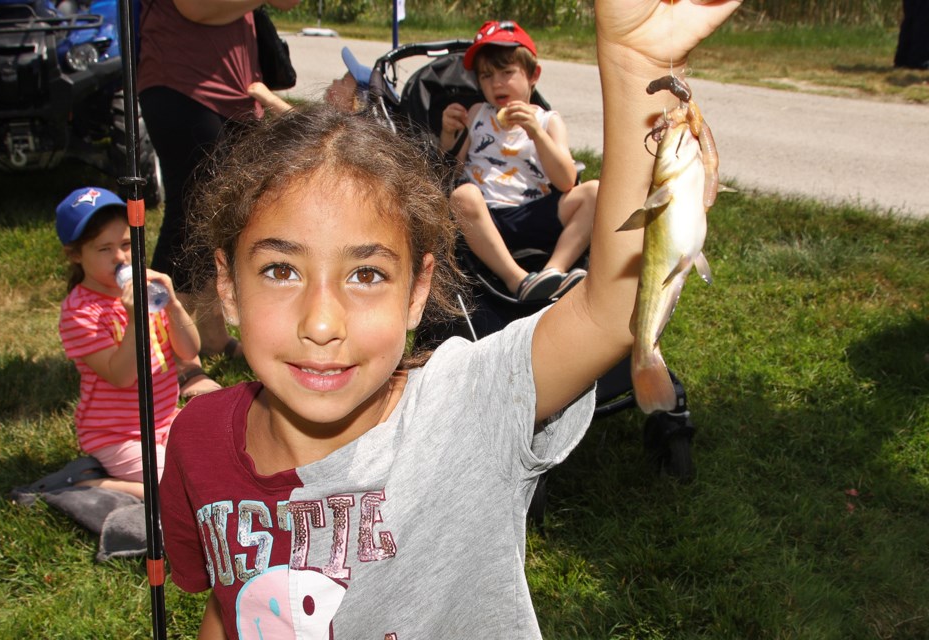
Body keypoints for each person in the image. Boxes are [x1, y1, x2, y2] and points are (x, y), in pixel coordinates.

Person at [158, 0, 741, 636]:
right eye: (280, 270)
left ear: (418, 294)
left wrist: (639, 66)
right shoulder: (197, 439)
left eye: (366, 274)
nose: (321, 322)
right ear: (228, 287)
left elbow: (610, 307)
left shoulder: (470, 406)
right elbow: (227, 603)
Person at [137, 0, 300, 397]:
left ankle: (209, 333)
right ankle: (172, 355)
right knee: (188, 214)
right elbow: (195, 8)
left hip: (238, 88)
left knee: (228, 218)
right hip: (180, 81)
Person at [55, 186, 200, 499]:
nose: (120, 257)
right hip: (116, 434)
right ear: (76, 255)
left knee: (216, 461)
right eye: (103, 249)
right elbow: (120, 376)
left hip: (164, 418)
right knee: (178, 491)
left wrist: (173, 303)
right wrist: (135, 319)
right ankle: (91, 485)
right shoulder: (80, 312)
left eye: (124, 244)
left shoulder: (146, 287)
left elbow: (189, 351)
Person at [440, 20, 599, 302]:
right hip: (487, 219)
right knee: (463, 195)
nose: (496, 83)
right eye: (486, 76)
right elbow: (452, 169)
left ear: (533, 75)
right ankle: (517, 280)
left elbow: (566, 181)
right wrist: (448, 134)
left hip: (534, 211)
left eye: (506, 72)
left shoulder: (548, 121)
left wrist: (537, 134)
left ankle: (554, 271)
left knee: (595, 193)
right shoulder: (477, 113)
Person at [248, 46, 383, 114]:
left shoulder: (348, 132)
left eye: (343, 81)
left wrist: (268, 98)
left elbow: (299, 121)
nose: (335, 81)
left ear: (355, 103)